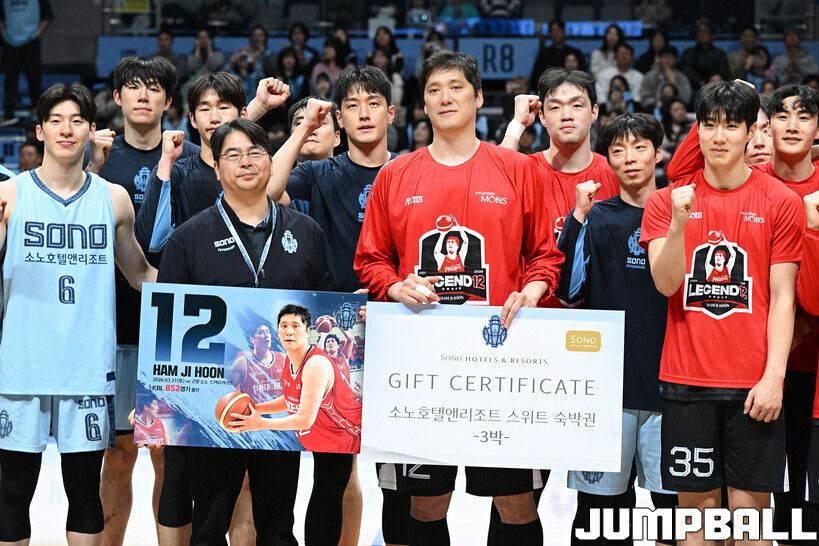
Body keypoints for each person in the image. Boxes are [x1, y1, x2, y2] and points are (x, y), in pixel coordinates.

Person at [354, 49, 563, 546]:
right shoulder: (395, 174)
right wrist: (395, 286)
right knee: (426, 503)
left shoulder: (518, 169)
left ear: (479, 97)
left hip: (503, 363)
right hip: (420, 365)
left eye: (456, 87)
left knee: (515, 501)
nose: (445, 98)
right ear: (423, 104)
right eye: (434, 90)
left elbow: (546, 256)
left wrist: (533, 289)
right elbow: (371, 260)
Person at [157, 117, 336, 544]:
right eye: (233, 155)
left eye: (256, 152)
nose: (246, 162)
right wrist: (157, 401)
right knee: (208, 527)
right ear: (217, 168)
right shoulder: (188, 238)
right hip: (214, 408)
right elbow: (167, 330)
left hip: (280, 407)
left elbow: (323, 317)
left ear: (271, 162)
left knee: (278, 528)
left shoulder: (306, 233)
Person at [640, 79, 804, 544]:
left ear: (752, 131)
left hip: (753, 386)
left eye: (731, 126)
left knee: (750, 518)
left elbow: (784, 298)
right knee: (697, 518)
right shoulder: (665, 201)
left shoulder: (780, 202)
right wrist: (678, 225)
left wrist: (774, 378)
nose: (718, 136)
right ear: (697, 129)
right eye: (709, 125)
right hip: (686, 383)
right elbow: (666, 283)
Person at [0, 82, 157, 545]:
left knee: (86, 493)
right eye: (55, 121)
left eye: (76, 121)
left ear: (91, 130)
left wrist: (206, 290)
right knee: (12, 492)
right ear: (39, 131)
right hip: (21, 367)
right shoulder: (9, 196)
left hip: (87, 368)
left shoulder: (113, 199)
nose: (66, 130)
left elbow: (139, 274)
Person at [268, 65, 395, 546]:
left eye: (373, 103)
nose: (364, 114)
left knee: (399, 471)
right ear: (338, 118)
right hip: (335, 338)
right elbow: (268, 190)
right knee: (333, 470)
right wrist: (303, 127)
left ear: (391, 112)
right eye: (352, 105)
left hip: (398, 325)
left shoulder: (408, 170)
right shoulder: (318, 172)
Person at [86, 54, 198, 546]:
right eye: (133, 86)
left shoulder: (191, 158)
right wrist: (90, 166)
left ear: (168, 101)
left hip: (173, 330)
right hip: (115, 326)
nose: (143, 95)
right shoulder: (98, 159)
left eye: (154, 88)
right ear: (117, 97)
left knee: (167, 455)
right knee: (118, 454)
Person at [557, 112, 678, 546]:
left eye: (640, 147)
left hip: (671, 391)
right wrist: (577, 217)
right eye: (618, 150)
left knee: (674, 518)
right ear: (607, 159)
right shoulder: (596, 217)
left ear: (658, 153)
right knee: (599, 520)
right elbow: (568, 291)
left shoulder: (681, 215)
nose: (629, 158)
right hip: (606, 395)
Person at [135, 74, 289, 254]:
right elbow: (151, 242)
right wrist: (165, 162)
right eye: (205, 109)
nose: (214, 117)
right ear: (192, 119)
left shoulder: (253, 171)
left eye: (223, 107)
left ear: (243, 115)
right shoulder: (177, 173)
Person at [501, 68, 619, 245]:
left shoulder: (616, 173)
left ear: (594, 112)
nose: (566, 116)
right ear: (542, 117)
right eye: (555, 107)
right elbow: (494, 187)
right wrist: (517, 123)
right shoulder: (528, 170)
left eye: (576, 105)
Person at [231, 304, 362, 455]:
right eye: (284, 326)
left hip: (347, 441)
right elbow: (292, 398)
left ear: (307, 332)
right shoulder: (288, 360)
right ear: (278, 333)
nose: (289, 331)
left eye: (295, 326)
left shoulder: (315, 364)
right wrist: (254, 408)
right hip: (323, 443)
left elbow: (304, 420)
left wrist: (260, 423)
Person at [0, 0, 52, 125]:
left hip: (31, 40)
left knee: (33, 75)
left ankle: (36, 108)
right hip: (9, 42)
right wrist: (4, 33)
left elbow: (48, 16)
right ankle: (8, 114)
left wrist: (37, 33)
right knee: (10, 78)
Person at [229, 320, 285, 403]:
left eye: (268, 332)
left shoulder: (283, 358)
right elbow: (229, 392)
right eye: (261, 332)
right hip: (254, 410)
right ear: (252, 339)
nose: (266, 335)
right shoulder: (242, 363)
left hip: (281, 410)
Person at [528, 19, 586, 90]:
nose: (556, 33)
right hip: (549, 91)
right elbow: (536, 78)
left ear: (564, 32)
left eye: (559, 30)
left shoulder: (575, 53)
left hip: (573, 89)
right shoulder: (544, 54)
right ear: (550, 34)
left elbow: (583, 76)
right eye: (553, 31)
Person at [640, 46, 692, 113]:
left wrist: (674, 83)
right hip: (654, 108)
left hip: (676, 110)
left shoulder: (681, 77)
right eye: (664, 57)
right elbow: (644, 98)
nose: (667, 60)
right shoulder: (650, 76)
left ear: (676, 60)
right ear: (659, 59)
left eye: (670, 57)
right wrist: (655, 103)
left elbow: (686, 99)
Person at [680, 21, 729, 90]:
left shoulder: (719, 53)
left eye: (705, 31)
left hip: (714, 86)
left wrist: (717, 77)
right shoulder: (689, 53)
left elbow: (725, 72)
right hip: (694, 87)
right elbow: (686, 70)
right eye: (699, 31)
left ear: (712, 35)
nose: (701, 34)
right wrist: (699, 82)